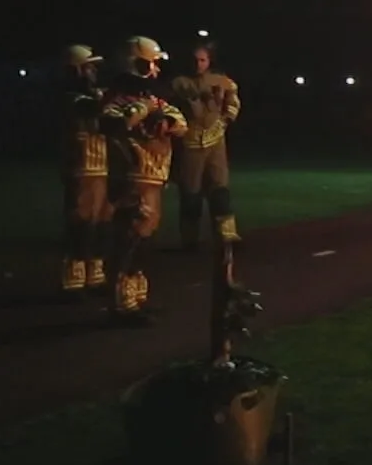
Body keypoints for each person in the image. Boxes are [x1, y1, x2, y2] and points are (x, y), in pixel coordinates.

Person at [101, 37, 188, 322]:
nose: (156, 70)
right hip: (132, 178)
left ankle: (136, 297)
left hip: (152, 177)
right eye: (152, 63)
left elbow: (180, 122)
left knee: (145, 240)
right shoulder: (117, 98)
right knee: (129, 238)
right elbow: (115, 122)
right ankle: (121, 303)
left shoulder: (154, 98)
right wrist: (145, 111)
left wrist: (168, 120)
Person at [170, 40, 242, 250]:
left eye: (202, 60)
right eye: (194, 60)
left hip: (215, 139)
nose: (197, 64)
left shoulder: (221, 81)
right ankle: (190, 239)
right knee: (190, 192)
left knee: (220, 188)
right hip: (189, 141)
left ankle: (227, 234)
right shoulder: (178, 83)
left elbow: (233, 103)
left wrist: (225, 120)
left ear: (209, 61)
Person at [59, 44, 112, 296]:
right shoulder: (70, 96)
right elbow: (92, 109)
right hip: (82, 167)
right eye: (88, 66)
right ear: (76, 70)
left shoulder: (96, 93)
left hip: (103, 166)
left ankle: (95, 272)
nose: (93, 71)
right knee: (81, 221)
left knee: (101, 221)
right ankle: (74, 278)